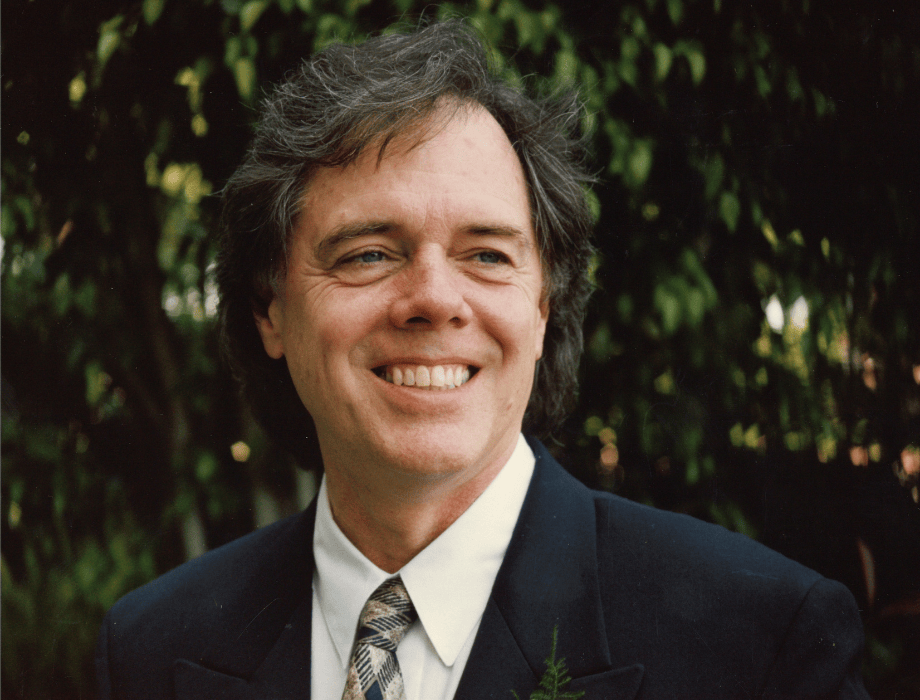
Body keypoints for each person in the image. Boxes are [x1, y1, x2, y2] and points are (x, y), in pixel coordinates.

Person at [96, 20, 870, 700]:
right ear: (270, 308)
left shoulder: (762, 647)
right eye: (368, 253)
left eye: (488, 255)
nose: (434, 297)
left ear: (544, 307)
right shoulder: (149, 648)